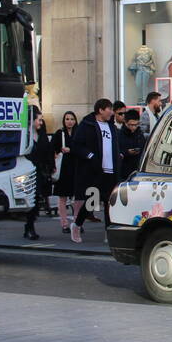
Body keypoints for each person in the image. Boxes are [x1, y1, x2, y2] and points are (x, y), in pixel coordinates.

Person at [70, 99, 121, 244]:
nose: (111, 112)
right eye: (109, 109)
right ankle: (77, 225)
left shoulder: (112, 127)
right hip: (95, 170)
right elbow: (76, 145)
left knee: (109, 203)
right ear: (100, 110)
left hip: (111, 170)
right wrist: (90, 155)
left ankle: (108, 232)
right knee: (91, 202)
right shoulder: (87, 125)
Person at [23, 111, 55, 240]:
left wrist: (51, 166)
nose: (41, 122)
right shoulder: (25, 135)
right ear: (31, 121)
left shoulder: (41, 134)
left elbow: (48, 150)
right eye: (39, 120)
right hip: (26, 172)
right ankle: (29, 226)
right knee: (31, 198)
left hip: (39, 171)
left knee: (36, 199)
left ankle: (30, 225)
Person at [50, 111, 79, 233]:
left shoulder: (79, 133)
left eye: (72, 119)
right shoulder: (59, 133)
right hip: (63, 168)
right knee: (62, 197)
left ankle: (77, 223)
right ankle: (64, 224)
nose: (70, 121)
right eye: (67, 119)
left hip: (75, 167)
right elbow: (52, 149)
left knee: (77, 198)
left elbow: (82, 148)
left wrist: (71, 149)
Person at [119, 108, 147, 178]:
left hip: (137, 171)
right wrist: (126, 152)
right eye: (131, 125)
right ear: (125, 122)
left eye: (136, 124)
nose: (134, 127)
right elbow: (116, 152)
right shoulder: (119, 135)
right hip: (124, 172)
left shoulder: (140, 134)